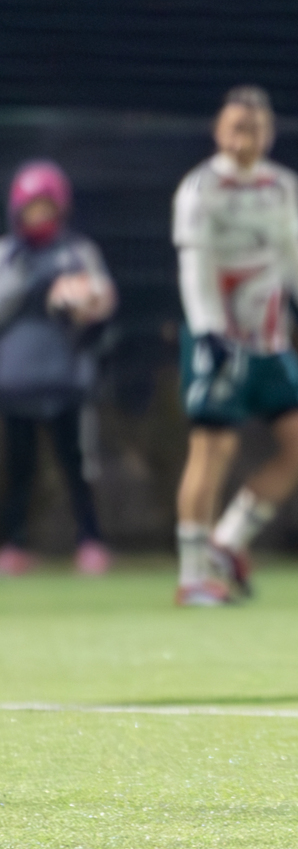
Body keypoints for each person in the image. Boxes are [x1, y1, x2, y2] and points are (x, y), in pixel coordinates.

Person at [172, 85, 298, 606]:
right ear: (220, 132)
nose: (247, 138)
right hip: (222, 339)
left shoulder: (282, 186)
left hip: (270, 340)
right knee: (213, 448)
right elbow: (193, 266)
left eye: (257, 128)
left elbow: (294, 250)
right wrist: (207, 330)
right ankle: (192, 575)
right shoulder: (200, 189)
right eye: (237, 127)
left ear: (271, 133)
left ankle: (228, 541)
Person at [0, 161, 116, 575]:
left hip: (67, 380)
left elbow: (102, 300)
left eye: (46, 208)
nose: (39, 217)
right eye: (32, 208)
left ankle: (90, 540)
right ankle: (13, 545)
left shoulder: (77, 252)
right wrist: (29, 284)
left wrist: (83, 302)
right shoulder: (7, 255)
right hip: (14, 383)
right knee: (19, 469)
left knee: (77, 466)